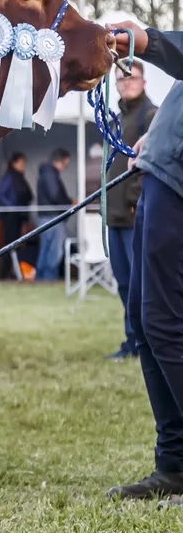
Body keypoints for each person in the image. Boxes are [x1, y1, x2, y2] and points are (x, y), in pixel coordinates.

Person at [104, 21, 183, 500]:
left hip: (175, 183)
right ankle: (173, 464)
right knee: (145, 319)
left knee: (164, 322)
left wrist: (146, 40)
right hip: (163, 171)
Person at [104, 61, 157, 361]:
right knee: (125, 283)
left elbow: (151, 166)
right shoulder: (115, 120)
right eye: (120, 79)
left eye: (131, 77)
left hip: (137, 214)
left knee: (142, 284)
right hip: (115, 216)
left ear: (143, 81)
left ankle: (148, 342)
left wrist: (136, 202)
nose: (126, 83)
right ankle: (133, 341)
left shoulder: (151, 117)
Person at [34, 148, 73, 281]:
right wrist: (69, 202)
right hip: (53, 217)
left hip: (45, 216)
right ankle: (49, 279)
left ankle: (41, 278)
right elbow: (55, 195)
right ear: (60, 161)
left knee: (45, 249)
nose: (66, 166)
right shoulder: (51, 175)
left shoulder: (45, 173)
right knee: (54, 251)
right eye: (66, 163)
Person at [0, 153, 33, 279]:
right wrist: (12, 207)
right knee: (9, 244)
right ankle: (5, 272)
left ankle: (14, 271)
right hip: (10, 216)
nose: (23, 166)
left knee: (17, 244)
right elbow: (0, 195)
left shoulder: (20, 178)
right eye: (21, 163)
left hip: (19, 217)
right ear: (14, 163)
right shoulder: (9, 177)